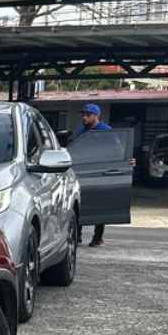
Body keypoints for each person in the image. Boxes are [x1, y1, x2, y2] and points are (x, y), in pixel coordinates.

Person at [72, 104, 114, 246]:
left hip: (101, 173)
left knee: (99, 205)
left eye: (88, 115)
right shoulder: (81, 132)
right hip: (83, 173)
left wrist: (128, 161)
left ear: (96, 116)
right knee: (80, 204)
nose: (84, 117)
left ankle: (97, 238)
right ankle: (77, 236)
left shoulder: (106, 131)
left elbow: (117, 151)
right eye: (83, 115)